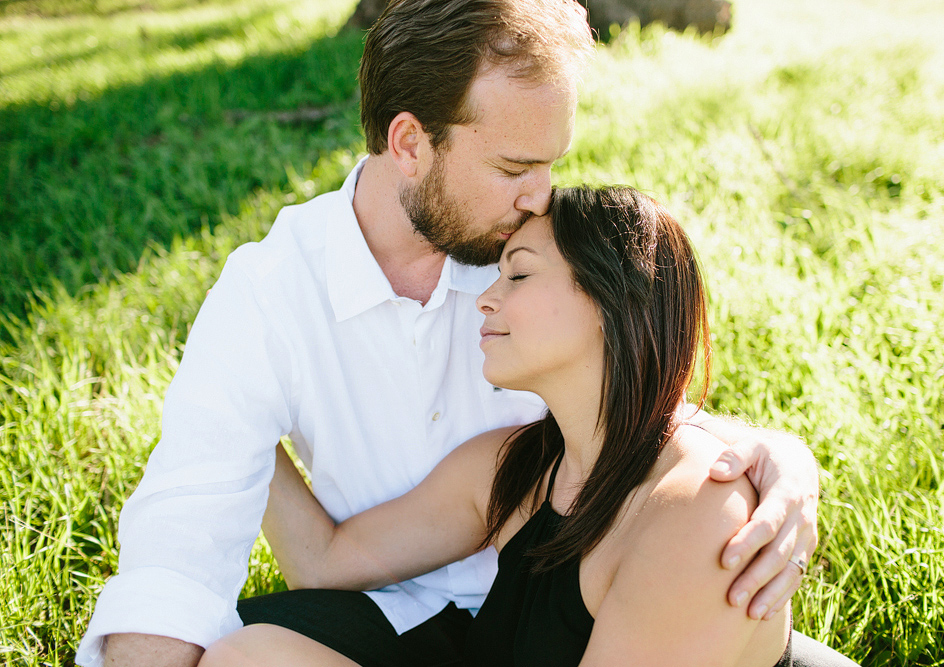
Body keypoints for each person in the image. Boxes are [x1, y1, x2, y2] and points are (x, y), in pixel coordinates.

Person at [77, 1, 826, 666]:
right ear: (409, 143)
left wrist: (777, 455)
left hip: (572, 611)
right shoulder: (270, 294)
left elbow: (629, 404)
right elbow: (178, 551)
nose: (541, 194)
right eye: (514, 166)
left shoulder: (535, 250)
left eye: (550, 164)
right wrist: (226, 425)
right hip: (382, 603)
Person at [199, 186, 859, 666]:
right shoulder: (518, 467)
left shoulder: (699, 508)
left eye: (518, 273)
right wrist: (237, 407)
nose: (486, 296)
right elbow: (323, 562)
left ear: (609, 299)